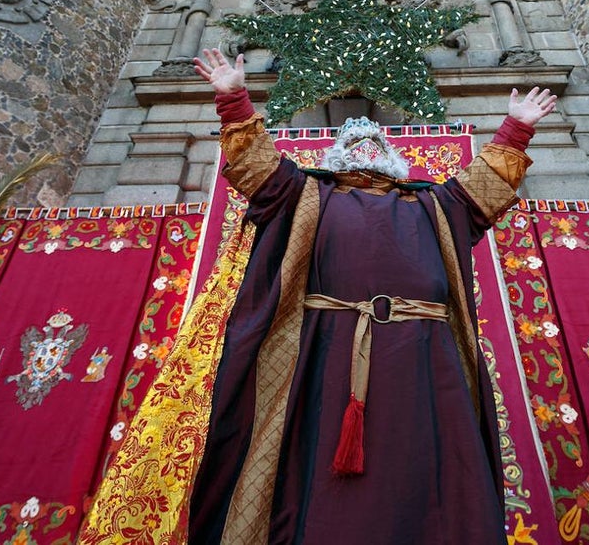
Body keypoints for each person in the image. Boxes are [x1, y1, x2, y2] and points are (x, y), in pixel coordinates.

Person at [188, 48, 556, 544]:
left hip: (425, 363)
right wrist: (233, 98)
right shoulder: (304, 195)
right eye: (354, 143)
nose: (365, 149)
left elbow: (485, 188)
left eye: (374, 142)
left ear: (393, 156)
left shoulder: (434, 204)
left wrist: (517, 127)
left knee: (429, 472)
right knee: (316, 473)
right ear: (336, 153)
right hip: (327, 356)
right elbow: (257, 169)